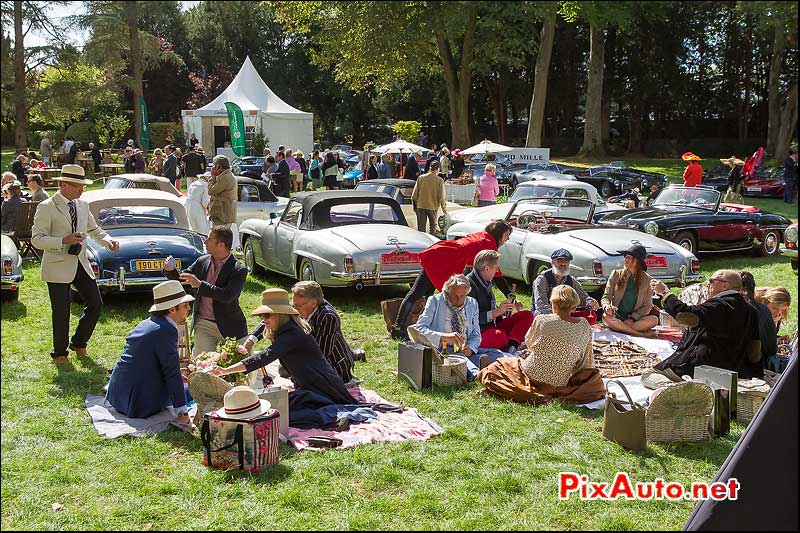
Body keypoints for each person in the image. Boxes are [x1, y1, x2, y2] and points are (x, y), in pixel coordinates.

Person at [31, 164, 120, 364]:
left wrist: (108, 241)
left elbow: (95, 229)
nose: (82, 189)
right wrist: (63, 240)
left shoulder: (82, 205)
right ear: (64, 185)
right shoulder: (46, 207)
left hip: (81, 262)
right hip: (57, 265)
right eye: (78, 185)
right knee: (61, 311)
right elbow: (36, 239)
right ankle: (60, 353)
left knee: (96, 303)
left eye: (83, 185)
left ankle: (79, 342)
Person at [208, 288, 357, 407]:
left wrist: (226, 370)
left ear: (279, 315)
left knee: (275, 410)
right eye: (262, 316)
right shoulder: (287, 328)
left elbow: (264, 357)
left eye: (267, 315)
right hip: (309, 385)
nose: (263, 320)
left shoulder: (291, 334)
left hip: (322, 388)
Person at [391, 220, 514, 340]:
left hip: (442, 254)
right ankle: (398, 327)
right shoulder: (489, 244)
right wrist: (509, 293)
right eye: (507, 235)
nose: (507, 239)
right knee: (418, 293)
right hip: (445, 259)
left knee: (427, 295)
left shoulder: (484, 236)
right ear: (499, 233)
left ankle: (421, 327)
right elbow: (497, 276)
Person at [105, 280, 194, 426]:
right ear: (172, 309)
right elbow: (171, 373)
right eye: (185, 305)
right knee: (190, 389)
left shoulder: (148, 323)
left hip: (117, 395)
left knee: (182, 384)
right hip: (137, 405)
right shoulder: (165, 330)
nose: (189, 308)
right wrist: (182, 412)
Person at [652, 270, 762, 378]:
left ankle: (676, 388)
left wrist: (665, 293)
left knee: (651, 375)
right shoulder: (751, 310)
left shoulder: (720, 305)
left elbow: (685, 315)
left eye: (712, 281)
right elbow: (754, 350)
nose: (708, 284)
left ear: (725, 286)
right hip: (734, 368)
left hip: (703, 367)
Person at [244, 281, 361, 382]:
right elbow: (274, 317)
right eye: (293, 305)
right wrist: (250, 341)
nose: (294, 309)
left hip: (333, 365)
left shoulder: (327, 317)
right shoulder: (301, 305)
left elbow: (321, 355)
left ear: (314, 303)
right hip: (308, 357)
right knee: (284, 369)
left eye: (297, 306)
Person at [163, 225, 248, 355]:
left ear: (221, 245)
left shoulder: (238, 269)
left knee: (239, 369)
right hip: (204, 324)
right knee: (203, 367)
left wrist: (199, 284)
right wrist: (170, 271)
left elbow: (228, 296)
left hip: (231, 326)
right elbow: (183, 280)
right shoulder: (202, 261)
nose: (205, 242)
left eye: (209, 239)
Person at [412, 274, 508, 381]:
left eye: (462, 296)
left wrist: (471, 348)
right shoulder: (435, 301)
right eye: (455, 296)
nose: (458, 300)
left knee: (496, 353)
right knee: (459, 360)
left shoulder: (472, 303)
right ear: (447, 292)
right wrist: (444, 337)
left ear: (467, 293)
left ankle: (501, 365)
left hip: (463, 349)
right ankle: (478, 375)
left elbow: (476, 334)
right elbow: (419, 329)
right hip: (442, 349)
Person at [522, 285, 594, 387]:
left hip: (530, 375)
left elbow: (529, 343)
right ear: (574, 307)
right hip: (558, 384)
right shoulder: (583, 325)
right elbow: (586, 360)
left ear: (554, 305)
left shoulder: (541, 320)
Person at [468, 250, 533, 353]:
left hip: (493, 326)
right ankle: (510, 343)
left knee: (527, 315)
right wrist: (497, 312)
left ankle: (511, 345)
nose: (497, 271)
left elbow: (490, 307)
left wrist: (504, 309)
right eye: (496, 268)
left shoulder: (485, 281)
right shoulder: (469, 286)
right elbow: (469, 319)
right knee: (499, 336)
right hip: (478, 333)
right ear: (487, 268)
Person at [601, 244, 658, 336]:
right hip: (616, 317)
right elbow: (606, 297)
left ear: (638, 261)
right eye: (626, 257)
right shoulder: (616, 274)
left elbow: (647, 306)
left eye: (630, 257)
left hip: (635, 320)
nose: (626, 259)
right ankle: (640, 334)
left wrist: (632, 318)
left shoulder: (648, 280)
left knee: (654, 320)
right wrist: (607, 306)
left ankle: (621, 328)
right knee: (605, 317)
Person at [532, 248, 599, 315]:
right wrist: (556, 317)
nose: (563, 263)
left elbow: (583, 297)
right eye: (559, 260)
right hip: (545, 314)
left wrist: (590, 302)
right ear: (552, 262)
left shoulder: (571, 280)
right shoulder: (542, 279)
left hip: (565, 314)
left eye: (566, 260)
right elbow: (541, 305)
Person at [739, 272, 777, 366]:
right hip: (764, 360)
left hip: (750, 364)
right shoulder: (763, 309)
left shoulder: (738, 309)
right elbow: (771, 347)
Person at [411, 159, 447, 235]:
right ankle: (431, 243)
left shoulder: (421, 178)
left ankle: (421, 243)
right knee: (433, 226)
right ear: (437, 169)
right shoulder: (439, 180)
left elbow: (414, 195)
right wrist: (444, 210)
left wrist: (415, 207)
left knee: (421, 228)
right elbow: (442, 196)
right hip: (432, 206)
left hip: (421, 206)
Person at [206, 155, 237, 228]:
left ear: (219, 167)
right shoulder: (225, 176)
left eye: (214, 165)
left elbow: (211, 191)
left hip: (222, 216)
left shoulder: (225, 178)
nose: (213, 168)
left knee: (220, 237)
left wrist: (212, 176)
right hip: (221, 215)